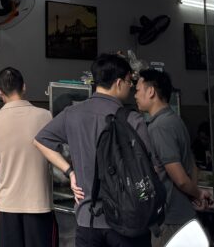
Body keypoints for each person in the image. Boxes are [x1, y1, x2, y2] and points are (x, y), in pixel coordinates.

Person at [34, 52, 161, 247]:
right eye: (129, 81)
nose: (130, 86)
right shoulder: (132, 119)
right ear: (118, 83)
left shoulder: (72, 114)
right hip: (129, 221)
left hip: (88, 220)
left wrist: (70, 172)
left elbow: (40, 140)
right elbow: (150, 168)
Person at [0, 67, 56, 247]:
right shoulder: (45, 116)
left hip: (7, 204)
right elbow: (54, 152)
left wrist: (0, 160)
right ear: (24, 87)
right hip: (39, 203)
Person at [134, 69, 205, 247]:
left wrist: (198, 194)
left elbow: (179, 179)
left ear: (150, 92)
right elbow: (193, 165)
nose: (135, 95)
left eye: (138, 90)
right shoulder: (175, 119)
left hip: (170, 217)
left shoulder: (160, 127)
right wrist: (195, 196)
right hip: (183, 213)